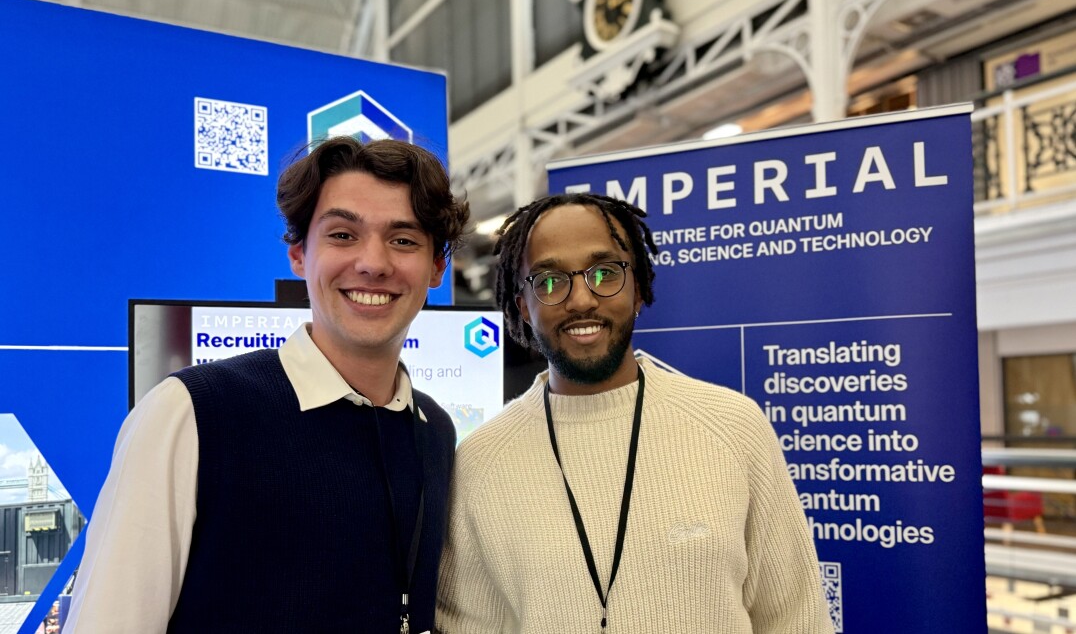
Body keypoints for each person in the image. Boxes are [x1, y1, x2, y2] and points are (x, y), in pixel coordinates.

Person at [67, 137, 470, 633]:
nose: (374, 262)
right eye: (343, 235)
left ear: (436, 267)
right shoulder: (193, 413)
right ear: (299, 254)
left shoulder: (433, 431)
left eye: (403, 240)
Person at [437, 193, 833, 633]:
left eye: (605, 273)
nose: (582, 300)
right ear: (522, 308)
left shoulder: (734, 427)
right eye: (549, 282)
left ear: (639, 288)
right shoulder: (479, 460)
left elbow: (797, 617)